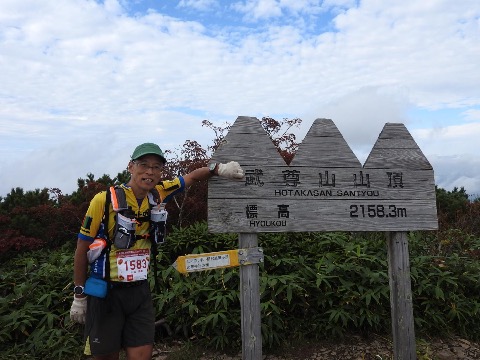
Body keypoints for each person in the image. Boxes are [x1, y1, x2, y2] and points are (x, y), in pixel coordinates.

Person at [70, 142, 243, 360]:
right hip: (106, 292)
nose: (150, 172)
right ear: (130, 166)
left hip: (140, 292)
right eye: (144, 165)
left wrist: (219, 169)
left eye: (157, 167)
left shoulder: (159, 193)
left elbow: (192, 177)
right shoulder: (103, 200)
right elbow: (81, 248)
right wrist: (79, 295)